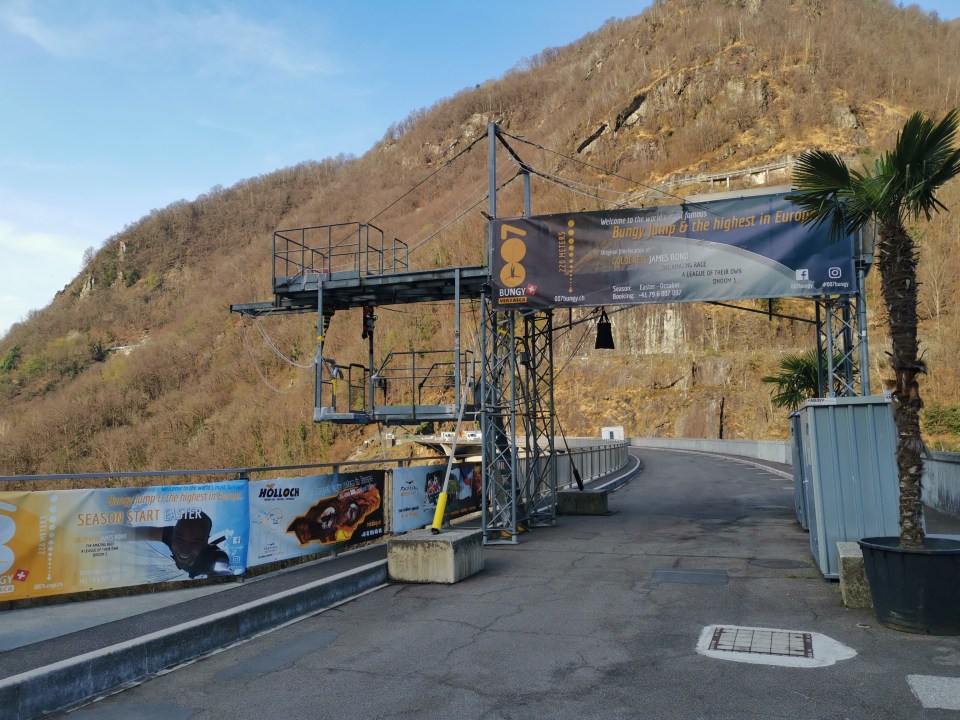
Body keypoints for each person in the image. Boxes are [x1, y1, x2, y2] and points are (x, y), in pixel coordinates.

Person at [130, 510, 231, 578]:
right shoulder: (172, 536)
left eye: (195, 542)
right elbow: (131, 533)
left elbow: (225, 573)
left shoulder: (215, 558)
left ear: (205, 542)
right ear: (173, 535)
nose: (185, 549)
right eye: (180, 539)